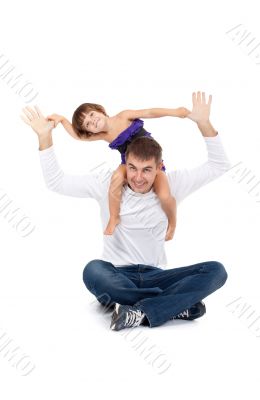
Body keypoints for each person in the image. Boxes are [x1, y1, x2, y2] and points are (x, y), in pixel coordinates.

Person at [21, 91, 230, 331]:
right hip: (115, 274)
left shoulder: (172, 183)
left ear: (159, 167)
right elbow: (56, 182)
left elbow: (219, 165)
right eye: (132, 168)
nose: (138, 178)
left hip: (156, 275)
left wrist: (202, 121)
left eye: (146, 170)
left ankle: (139, 311)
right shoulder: (106, 184)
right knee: (93, 270)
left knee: (215, 271)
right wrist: (45, 138)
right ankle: (173, 304)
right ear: (124, 163)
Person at [46, 104, 191, 241]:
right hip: (129, 164)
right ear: (90, 132)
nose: (92, 121)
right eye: (88, 124)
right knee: (115, 178)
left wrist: (175, 112)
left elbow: (150, 112)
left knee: (165, 195)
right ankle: (114, 217)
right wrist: (63, 120)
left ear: (100, 110)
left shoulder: (124, 116)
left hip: (149, 162)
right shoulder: (103, 135)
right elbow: (79, 137)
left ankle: (172, 223)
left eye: (91, 114)